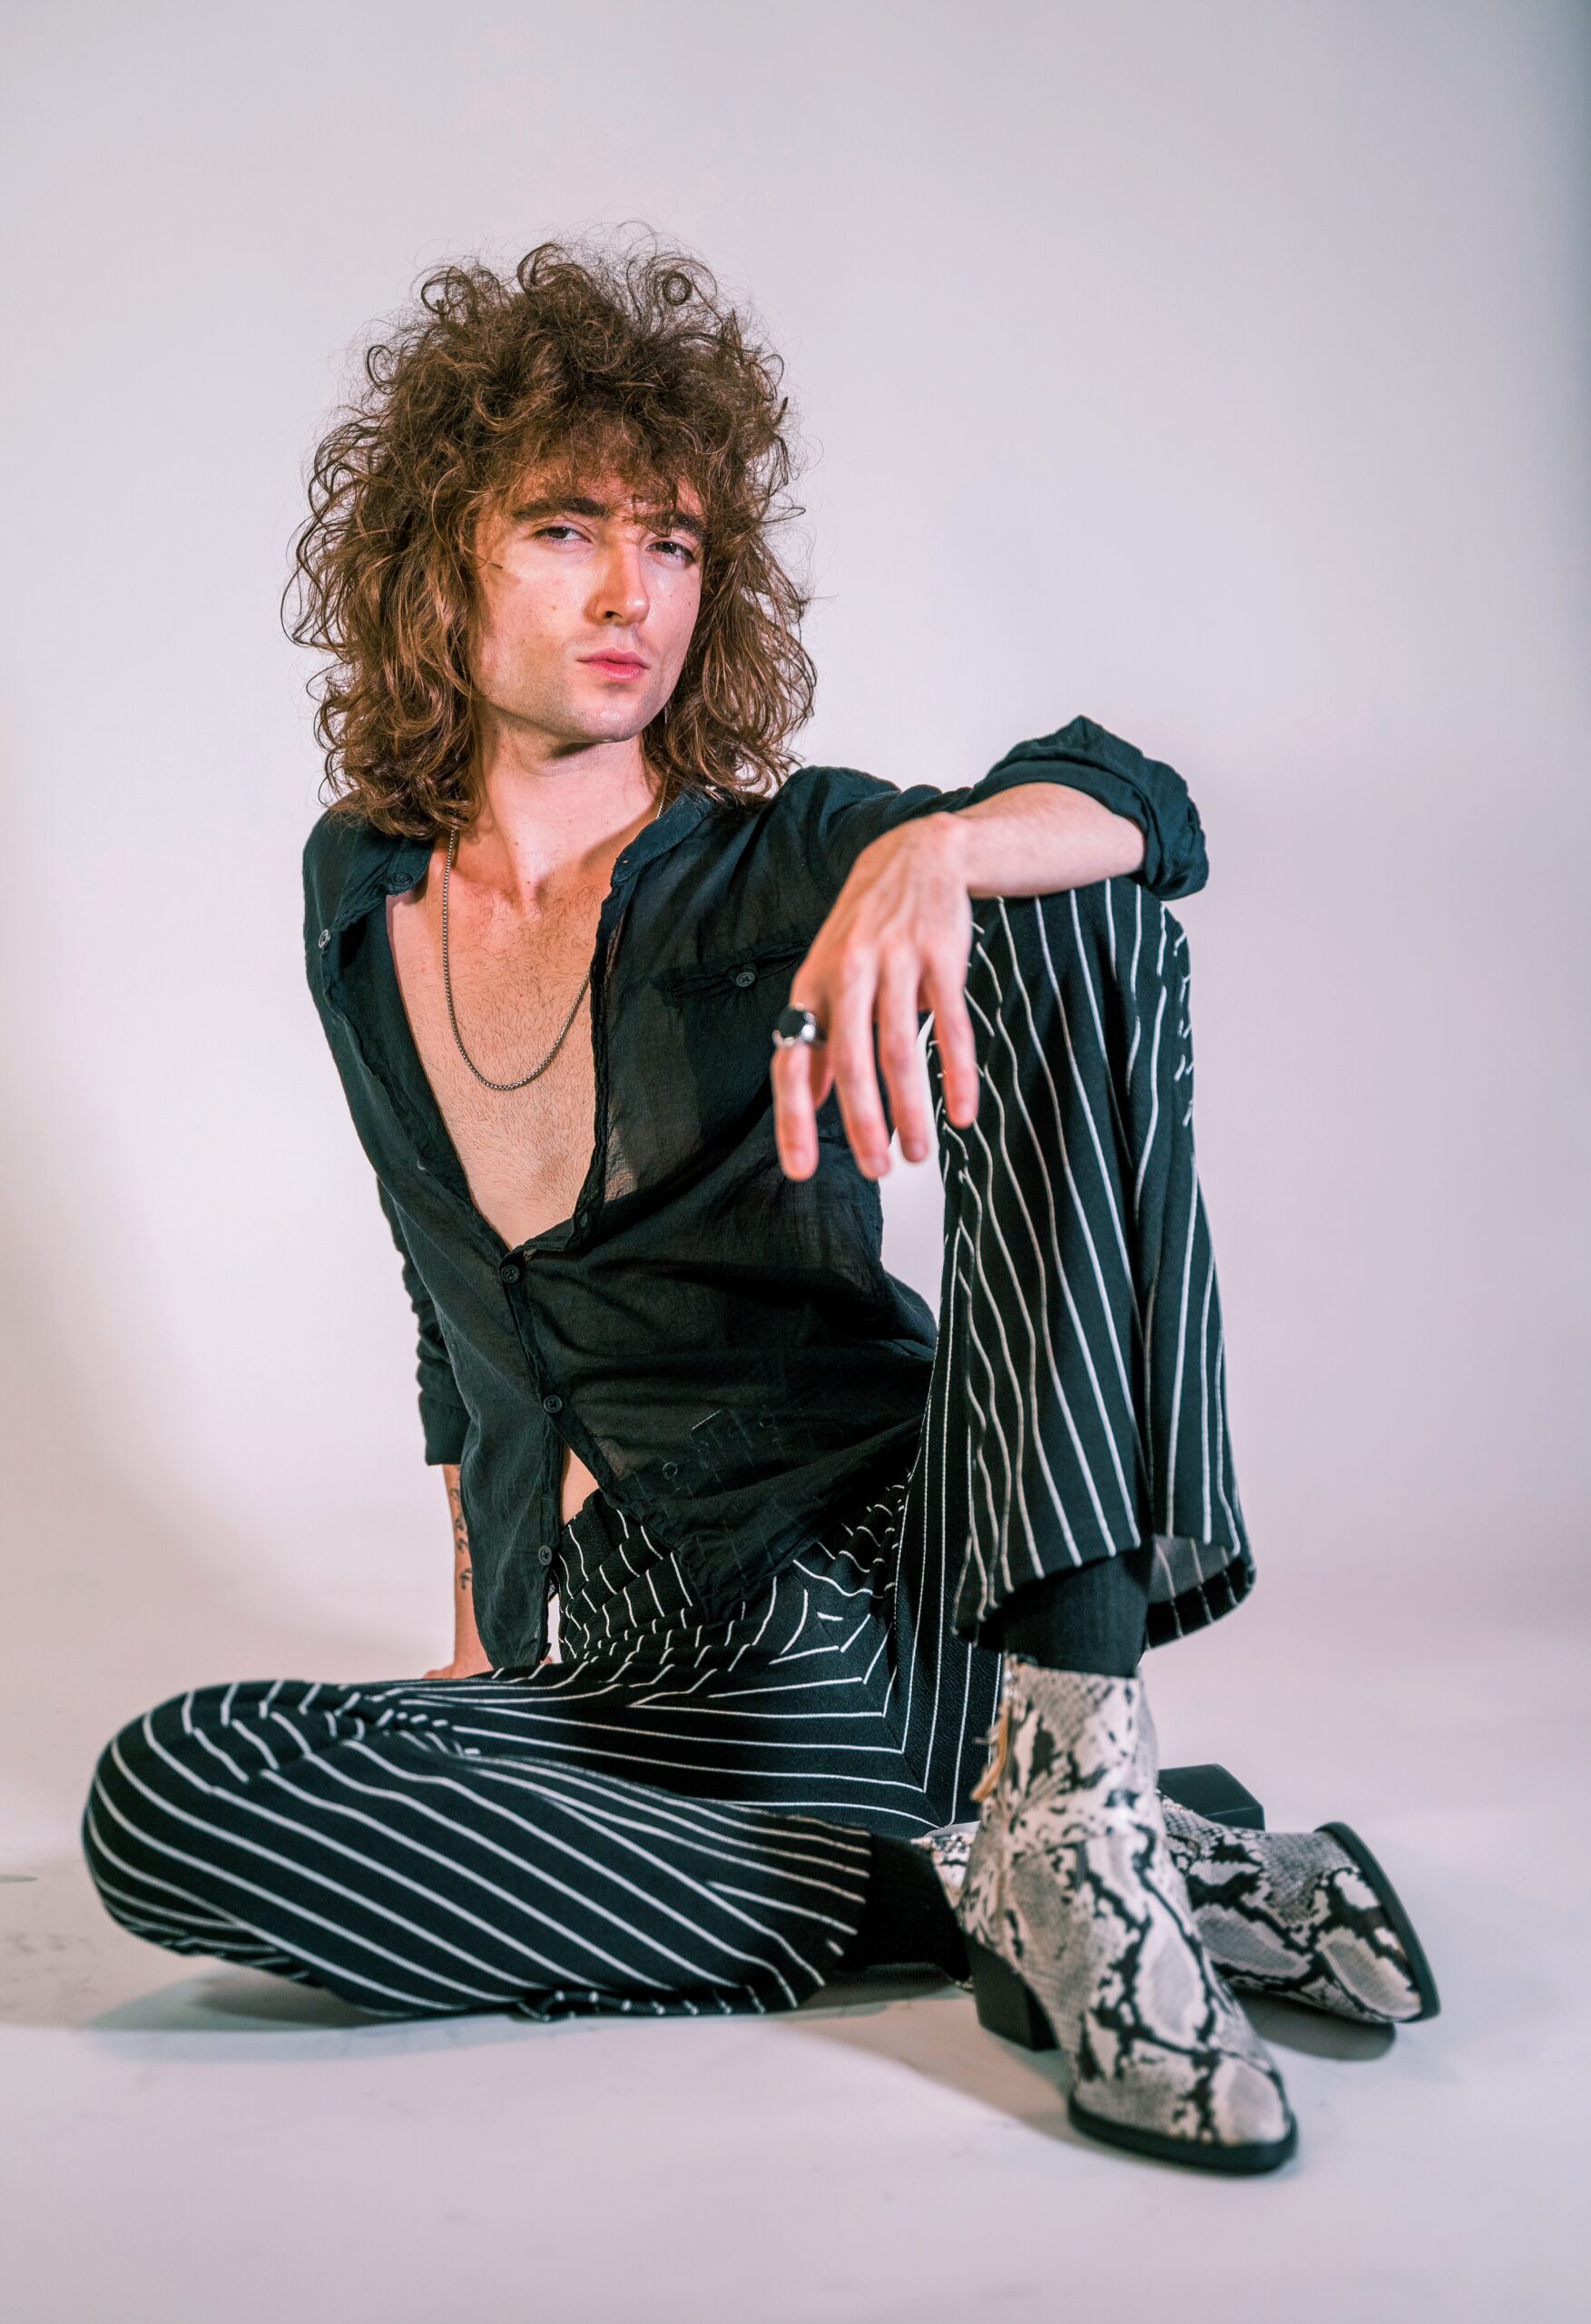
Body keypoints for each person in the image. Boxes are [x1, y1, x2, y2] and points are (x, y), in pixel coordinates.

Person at [82, 237, 1437, 2174]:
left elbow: (1142, 803)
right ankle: (990, 1881)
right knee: (173, 1793)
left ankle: (1074, 1785)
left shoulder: (780, 856)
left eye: (675, 543)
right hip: (644, 1669)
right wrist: (479, 1633)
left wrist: (931, 855)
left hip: (918, 1590)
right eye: (563, 528)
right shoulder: (354, 890)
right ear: (435, 563)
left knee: (1068, 918)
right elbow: (442, 1289)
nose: (628, 593)